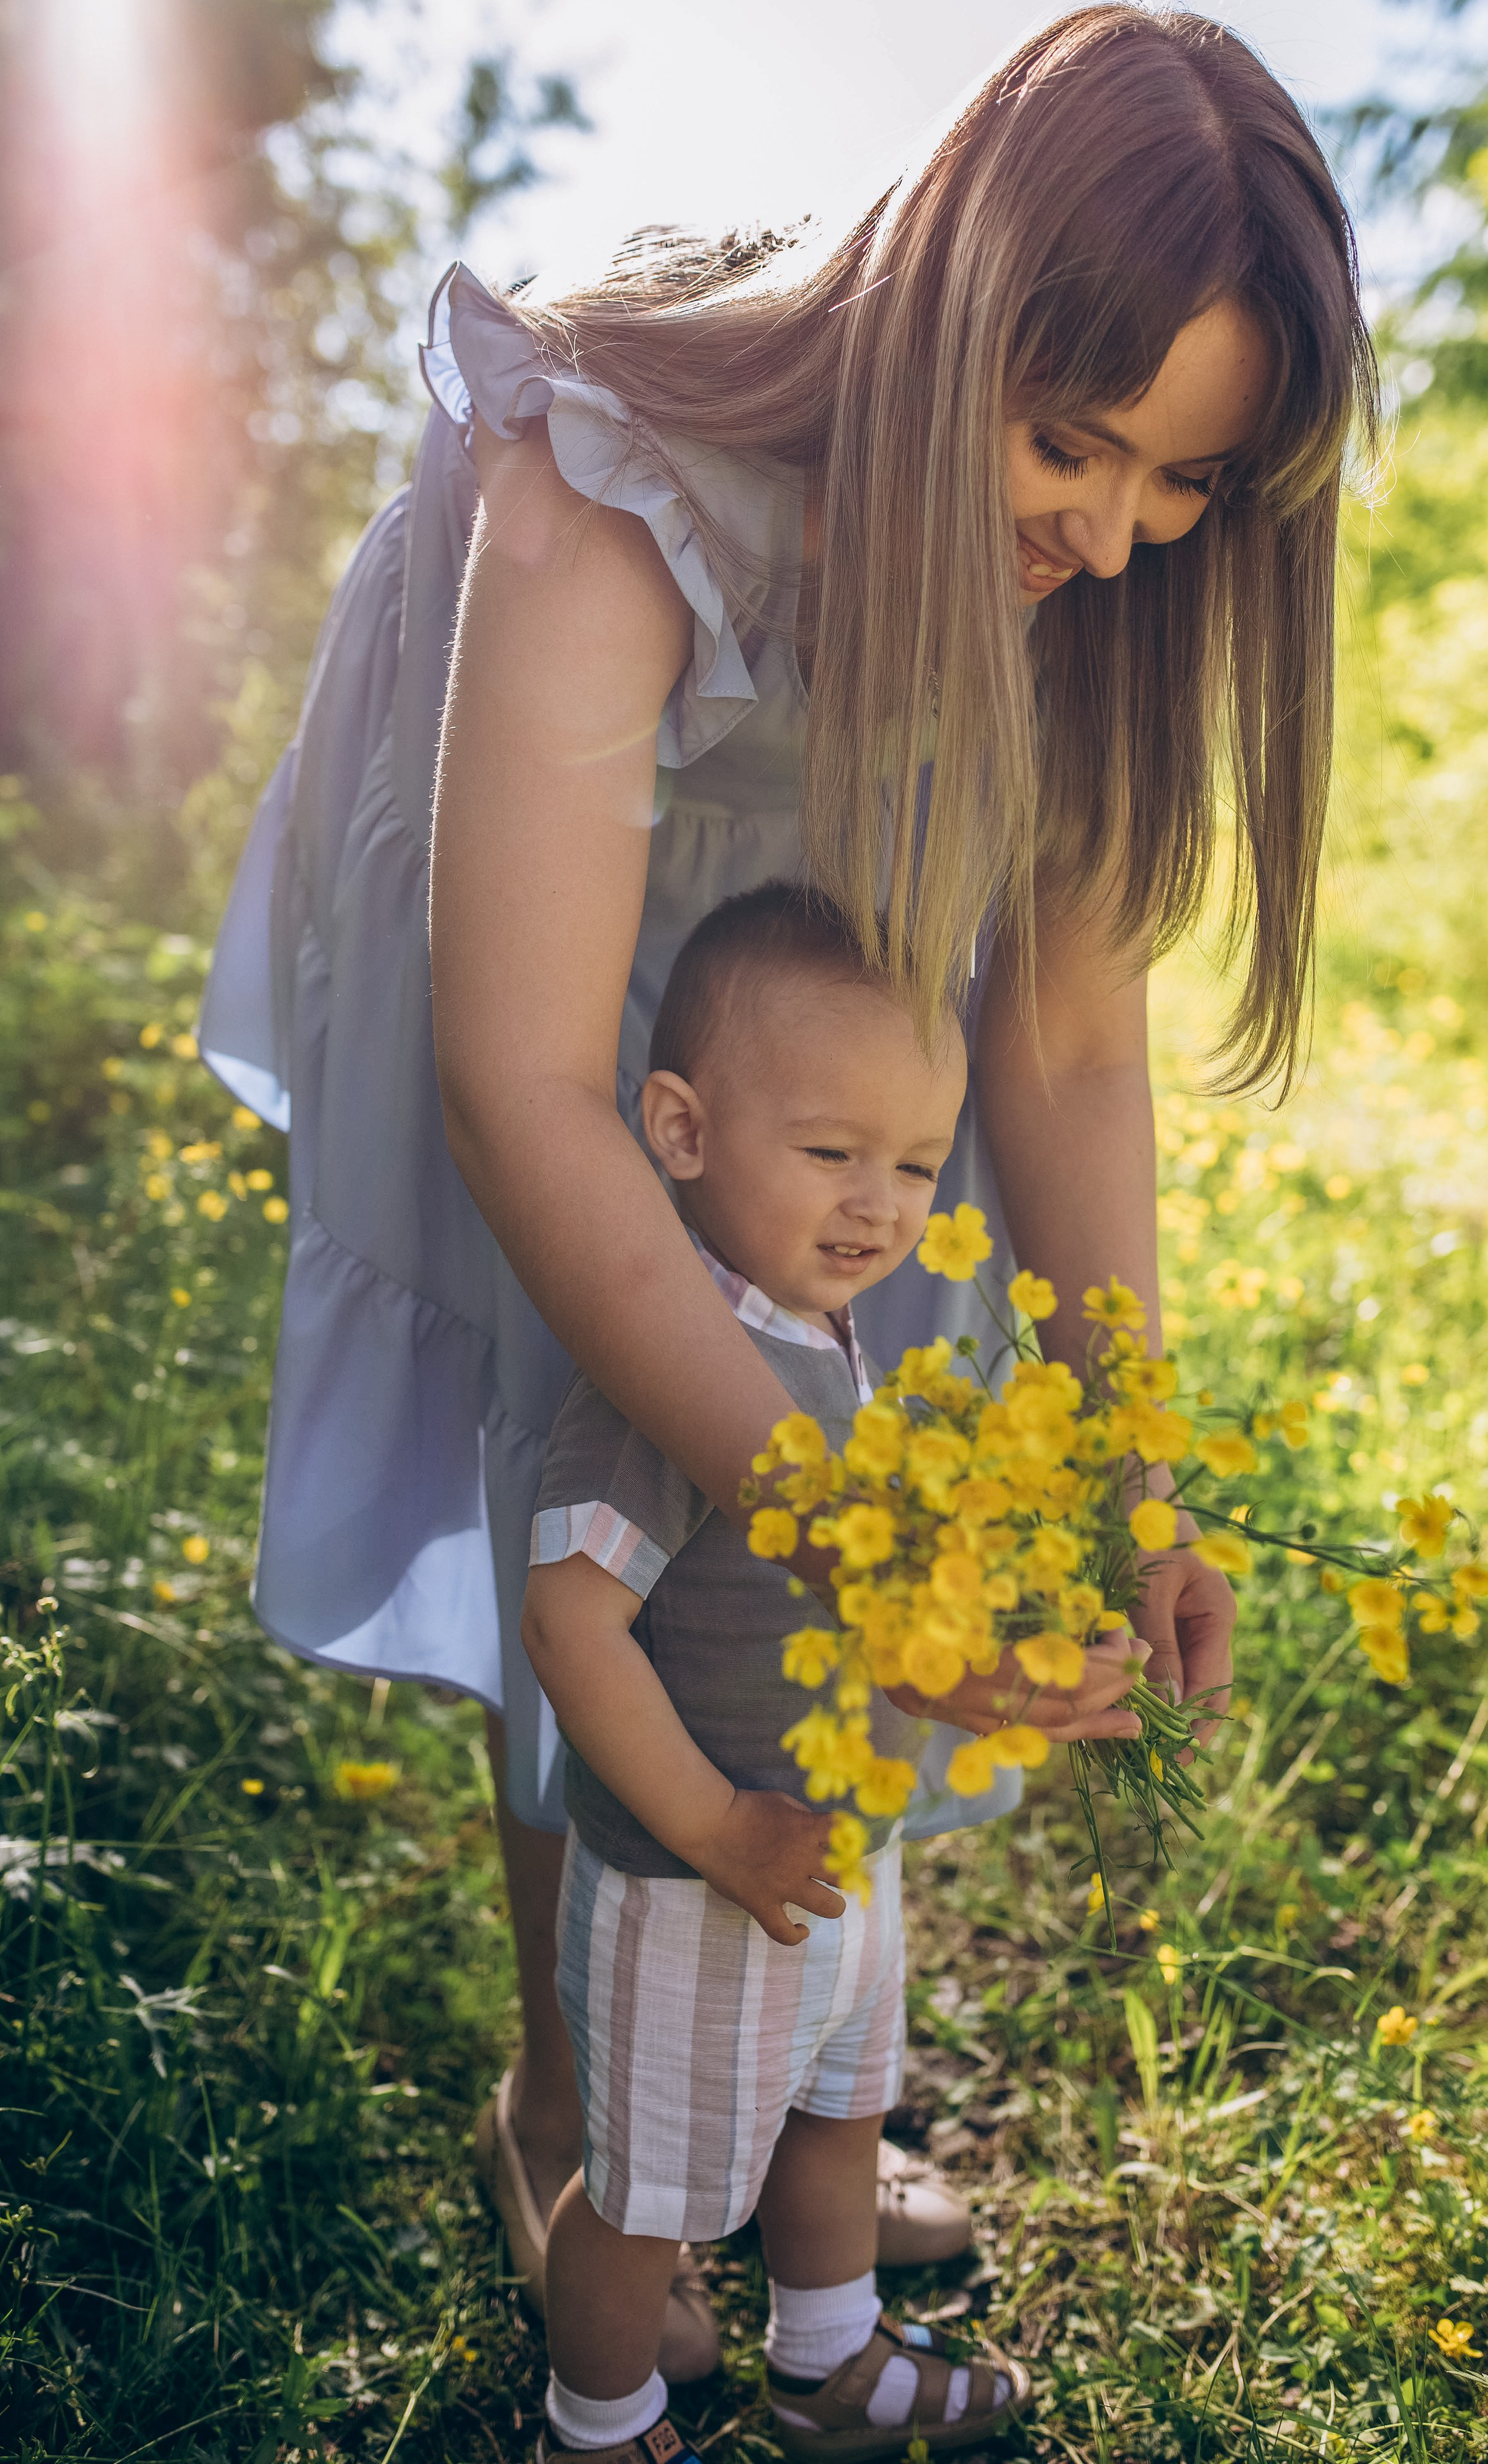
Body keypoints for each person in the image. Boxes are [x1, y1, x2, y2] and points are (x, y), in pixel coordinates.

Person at [199, 1, 1374, 2372]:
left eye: (1181, 487)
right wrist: (853, 1525)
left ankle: (769, 2089)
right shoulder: (614, 474)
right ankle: (577, 2080)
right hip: (536, 931)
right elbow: (530, 1092)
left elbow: (1058, 1033)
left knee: (832, 1324)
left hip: (816, 945)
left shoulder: (1098, 599)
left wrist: (1128, 1459)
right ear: (949, 315)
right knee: (612, 1432)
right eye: (1069, 444)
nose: (1116, 531)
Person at [521, 881, 1149, 2461]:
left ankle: (830, 2358)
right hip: (697, 1870)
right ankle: (594, 2422)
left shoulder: (829, 1338)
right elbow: (567, 1624)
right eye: (828, 1154)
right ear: (678, 1130)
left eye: (918, 1164)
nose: (880, 1205)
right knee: (646, 2192)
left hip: (829, 1851)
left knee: (837, 2113)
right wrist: (716, 1829)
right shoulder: (668, 1368)